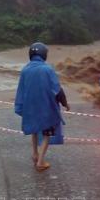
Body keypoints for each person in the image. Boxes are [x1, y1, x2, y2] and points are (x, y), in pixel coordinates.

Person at [15, 42, 70, 172]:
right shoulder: (47, 69)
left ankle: (34, 154)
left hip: (30, 106)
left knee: (34, 130)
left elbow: (21, 90)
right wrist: (65, 103)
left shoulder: (25, 70)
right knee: (46, 133)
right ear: (44, 55)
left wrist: (22, 106)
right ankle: (40, 161)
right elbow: (57, 89)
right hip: (45, 106)